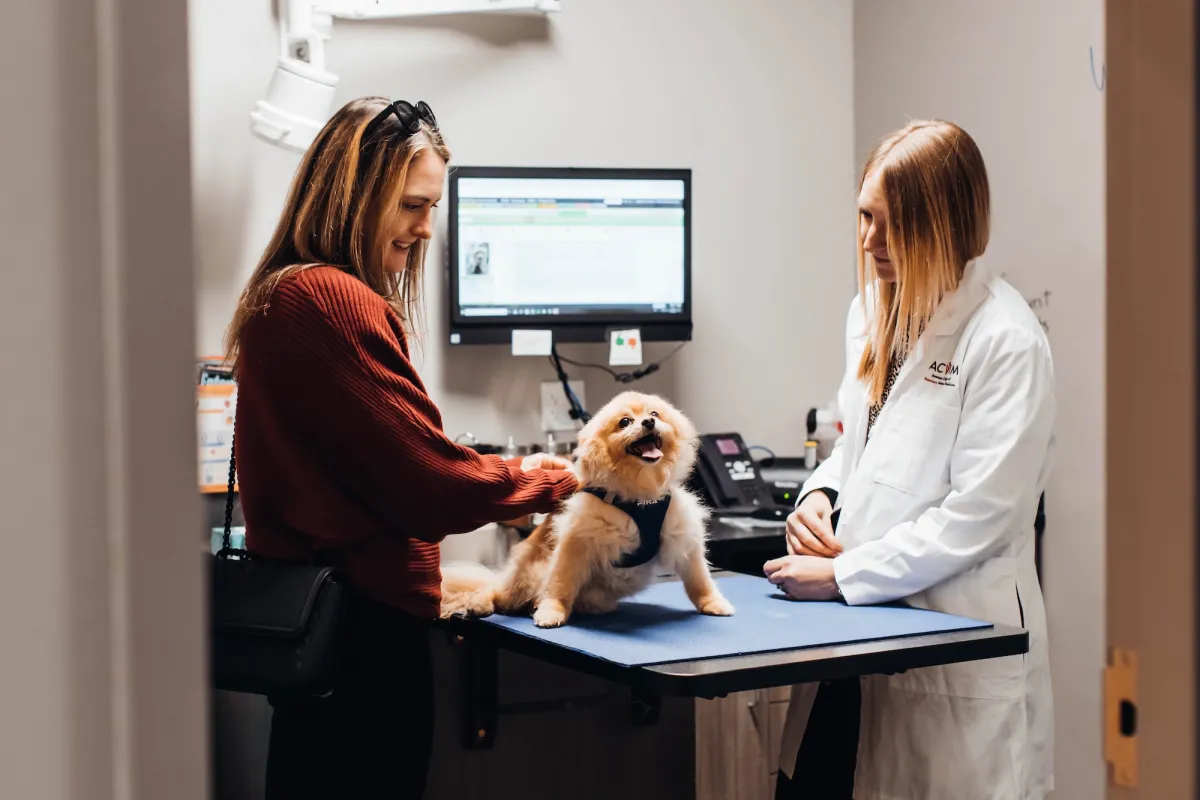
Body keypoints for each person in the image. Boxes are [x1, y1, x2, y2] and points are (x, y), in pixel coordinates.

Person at [223, 97, 578, 799]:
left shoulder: (282, 295)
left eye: (433, 209)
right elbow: (429, 486)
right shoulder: (331, 300)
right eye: (412, 205)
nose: (424, 228)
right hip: (362, 643)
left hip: (319, 641)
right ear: (355, 193)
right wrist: (540, 479)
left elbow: (380, 457)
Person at [765, 120, 1055, 800]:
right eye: (865, 217)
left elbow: (977, 517)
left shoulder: (1006, 341)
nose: (869, 242)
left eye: (892, 226)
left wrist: (844, 575)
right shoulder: (871, 312)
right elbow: (855, 446)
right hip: (857, 637)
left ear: (947, 227)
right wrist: (816, 497)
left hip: (949, 639)